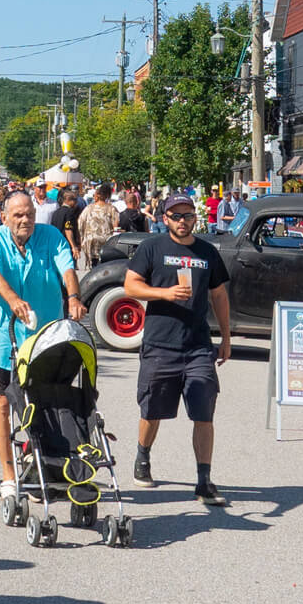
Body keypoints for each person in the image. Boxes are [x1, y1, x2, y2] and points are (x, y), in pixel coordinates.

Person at [0, 192, 85, 500]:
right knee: (4, 402)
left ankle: (43, 464)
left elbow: (67, 269)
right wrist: (13, 301)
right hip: (1, 335)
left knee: (44, 399)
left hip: (45, 337)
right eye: (19, 215)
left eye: (30, 215)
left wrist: (74, 297)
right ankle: (8, 476)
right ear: (6, 217)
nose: (25, 221)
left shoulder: (50, 236)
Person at [124, 192, 233, 505]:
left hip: (198, 346)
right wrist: (164, 293)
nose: (182, 221)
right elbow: (131, 286)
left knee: (204, 412)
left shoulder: (207, 252)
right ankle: (143, 457)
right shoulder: (152, 247)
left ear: (195, 217)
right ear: (164, 218)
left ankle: (204, 480)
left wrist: (225, 338)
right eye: (175, 216)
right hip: (160, 344)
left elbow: (219, 296)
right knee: (152, 409)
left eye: (187, 215)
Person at [77, 183, 120, 271]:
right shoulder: (112, 209)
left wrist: (81, 239)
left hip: (92, 242)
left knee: (95, 266)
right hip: (107, 242)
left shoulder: (89, 208)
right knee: (105, 266)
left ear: (97, 195)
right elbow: (116, 225)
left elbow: (80, 223)